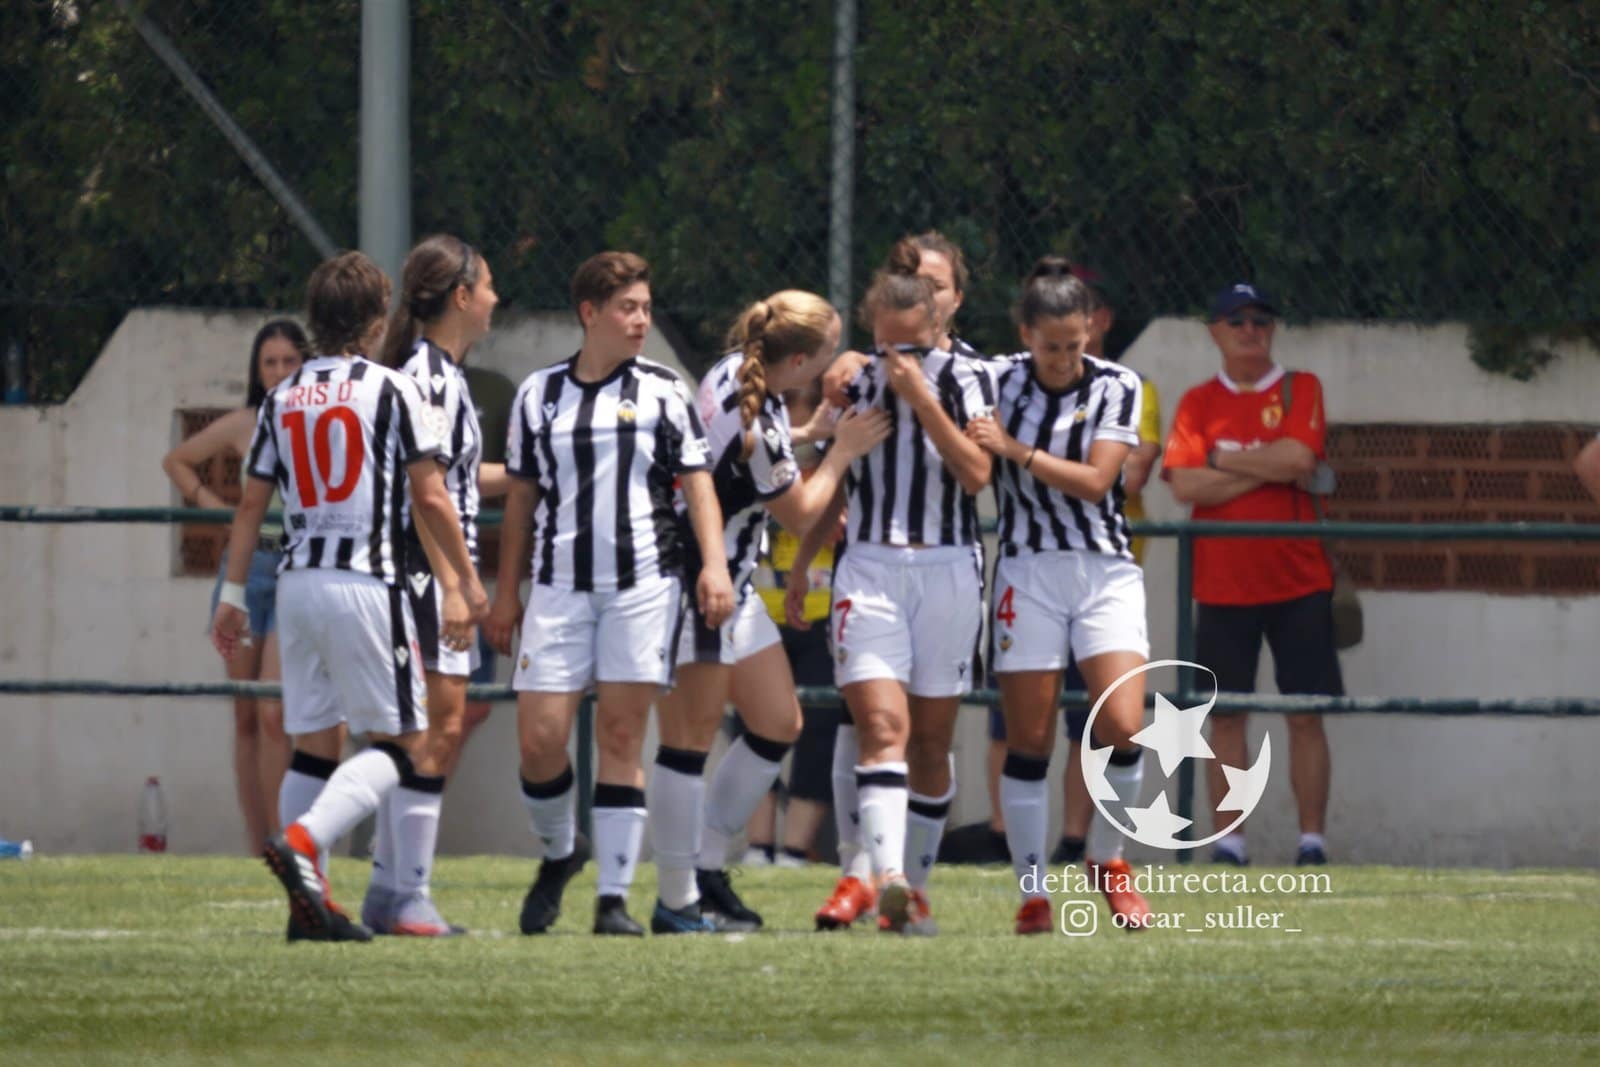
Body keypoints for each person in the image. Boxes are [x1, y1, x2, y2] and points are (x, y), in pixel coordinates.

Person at [213, 251, 487, 942]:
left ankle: (309, 906)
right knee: (403, 744)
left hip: (298, 584)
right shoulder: (390, 389)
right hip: (366, 582)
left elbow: (250, 507)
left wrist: (233, 595)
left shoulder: (282, 395)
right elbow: (430, 494)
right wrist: (465, 577)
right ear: (374, 321)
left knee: (314, 747)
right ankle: (303, 841)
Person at [484, 251, 734, 937]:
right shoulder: (539, 395)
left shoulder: (663, 390)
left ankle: (613, 901)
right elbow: (522, 498)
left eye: (646, 307)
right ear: (589, 313)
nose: (641, 319)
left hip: (642, 586)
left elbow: (698, 485)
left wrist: (713, 565)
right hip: (559, 589)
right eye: (628, 308)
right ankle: (562, 850)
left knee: (623, 732)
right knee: (539, 740)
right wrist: (506, 592)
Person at [648, 291, 890, 933]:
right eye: (831, 349)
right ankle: (676, 894)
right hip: (698, 577)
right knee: (689, 740)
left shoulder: (736, 374)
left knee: (778, 722)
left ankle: (702, 867)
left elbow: (759, 446)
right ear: (805, 358)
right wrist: (842, 451)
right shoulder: (757, 408)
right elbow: (803, 510)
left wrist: (815, 434)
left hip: (732, 580)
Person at [790, 239, 995, 935]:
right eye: (884, 344)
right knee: (881, 726)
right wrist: (800, 566)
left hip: (946, 569)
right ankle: (889, 876)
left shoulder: (972, 376)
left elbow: (976, 474)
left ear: (942, 317)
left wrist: (922, 398)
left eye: (907, 345)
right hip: (869, 565)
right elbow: (835, 474)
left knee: (932, 745)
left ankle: (918, 890)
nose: (894, 358)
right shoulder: (853, 377)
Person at [966, 257, 1154, 934]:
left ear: (1091, 330)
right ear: (1025, 334)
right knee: (1031, 739)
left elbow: (1100, 480)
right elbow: (934, 375)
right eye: (1051, 346)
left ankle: (1108, 859)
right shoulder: (995, 377)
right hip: (1027, 571)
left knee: (1124, 726)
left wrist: (1014, 449)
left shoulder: (1116, 384)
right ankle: (1031, 890)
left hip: (1104, 569)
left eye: (1075, 344)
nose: (1063, 358)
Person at [352, 234, 504, 937]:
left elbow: (457, 482)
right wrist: (458, 584)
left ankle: (392, 891)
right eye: (489, 286)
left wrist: (539, 476)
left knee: (427, 732)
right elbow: (428, 494)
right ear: (463, 296)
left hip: (422, 575)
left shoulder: (438, 374)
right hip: (422, 578)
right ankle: (401, 893)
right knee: (430, 733)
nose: (498, 299)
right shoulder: (431, 376)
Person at [1162, 282, 1339, 867]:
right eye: (1235, 320)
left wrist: (1222, 459)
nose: (1249, 329)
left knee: (1305, 713)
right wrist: (1266, 467)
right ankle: (1230, 843)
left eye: (1261, 319)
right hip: (1222, 583)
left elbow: (1300, 460)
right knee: (1227, 715)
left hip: (1299, 580)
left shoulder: (1300, 388)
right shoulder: (1195, 402)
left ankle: (1311, 842)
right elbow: (1184, 483)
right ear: (1214, 331)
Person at [163, 319, 307, 855]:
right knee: (245, 715)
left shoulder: (316, 417)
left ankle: (286, 846)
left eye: (289, 360)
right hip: (245, 574)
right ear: (257, 370)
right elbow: (176, 461)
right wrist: (210, 506)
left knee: (275, 715)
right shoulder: (244, 421)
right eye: (269, 362)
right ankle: (259, 849)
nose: (279, 372)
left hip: (297, 572)